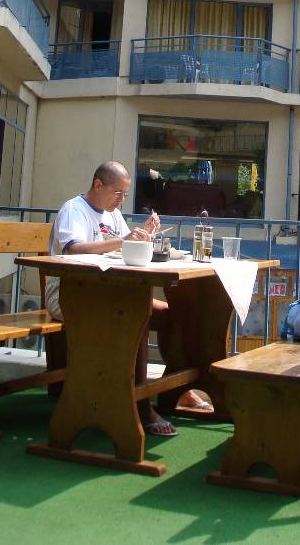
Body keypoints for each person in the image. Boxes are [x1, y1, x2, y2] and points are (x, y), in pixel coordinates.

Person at [46, 161, 209, 436]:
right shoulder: (74, 210)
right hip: (70, 296)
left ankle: (176, 389)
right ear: (98, 185)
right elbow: (74, 249)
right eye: (118, 193)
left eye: (125, 194)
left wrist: (145, 233)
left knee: (174, 315)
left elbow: (122, 250)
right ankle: (140, 404)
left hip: (109, 293)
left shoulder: (113, 215)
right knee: (137, 314)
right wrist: (124, 241)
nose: (121, 200)